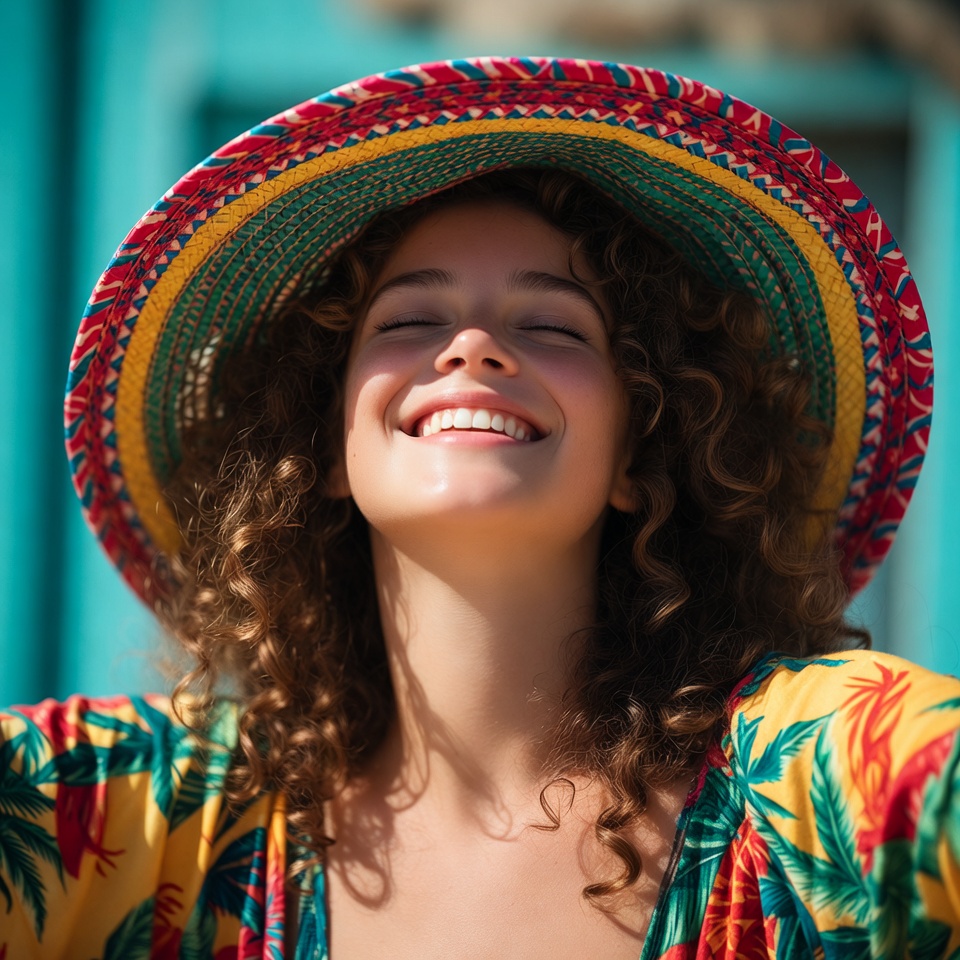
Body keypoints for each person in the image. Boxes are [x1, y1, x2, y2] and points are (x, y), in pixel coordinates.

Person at [1, 57, 956, 959]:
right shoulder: (158, 819)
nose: (471, 348)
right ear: (321, 448)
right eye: (409, 320)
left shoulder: (813, 773)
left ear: (643, 448)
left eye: (550, 325)